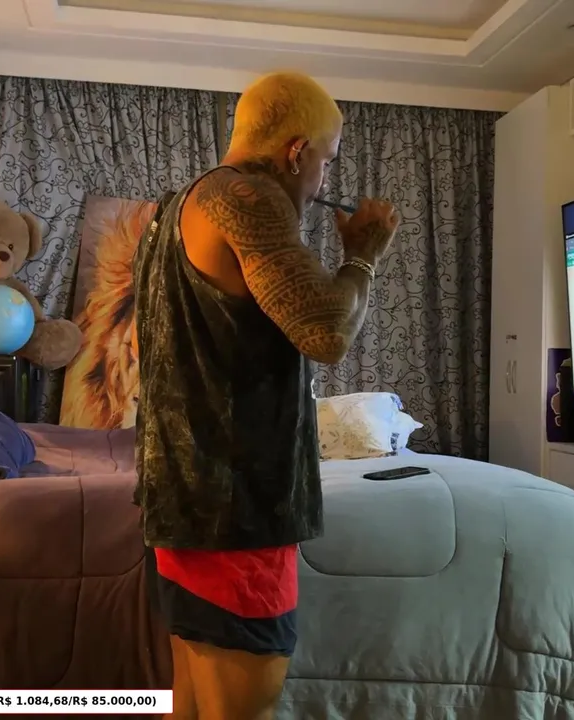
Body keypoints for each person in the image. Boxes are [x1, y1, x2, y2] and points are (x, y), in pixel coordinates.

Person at [131, 71, 400, 719]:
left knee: (194, 703)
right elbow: (326, 332)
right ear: (296, 150)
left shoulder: (173, 209)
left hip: (184, 499)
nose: (323, 180)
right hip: (237, 509)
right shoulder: (246, 196)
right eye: (326, 161)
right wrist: (363, 255)